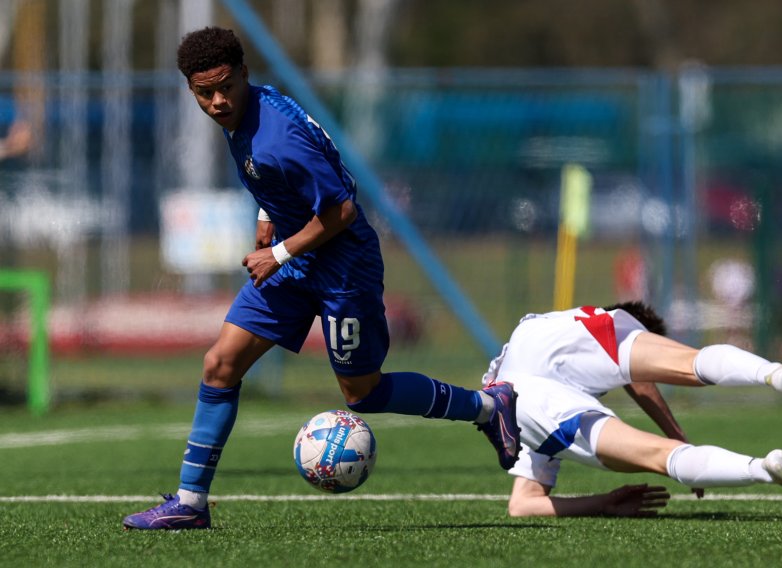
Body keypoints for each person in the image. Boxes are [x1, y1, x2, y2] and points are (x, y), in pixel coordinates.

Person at [123, 27, 519, 530]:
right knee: (220, 364)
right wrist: (270, 216)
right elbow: (278, 181)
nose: (218, 101)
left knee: (364, 393)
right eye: (205, 92)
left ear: (245, 73)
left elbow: (342, 210)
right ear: (191, 89)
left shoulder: (277, 136)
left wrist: (279, 253)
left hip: (342, 265)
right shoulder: (248, 113)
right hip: (296, 257)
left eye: (226, 86)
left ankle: (488, 406)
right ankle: (190, 503)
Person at [481, 301, 782, 517]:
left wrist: (602, 503)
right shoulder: (604, 331)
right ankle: (772, 372)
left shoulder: (554, 326)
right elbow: (639, 379)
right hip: (561, 365)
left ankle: (764, 467)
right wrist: (677, 433)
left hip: (524, 384)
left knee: (664, 456)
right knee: (690, 362)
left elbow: (522, 504)